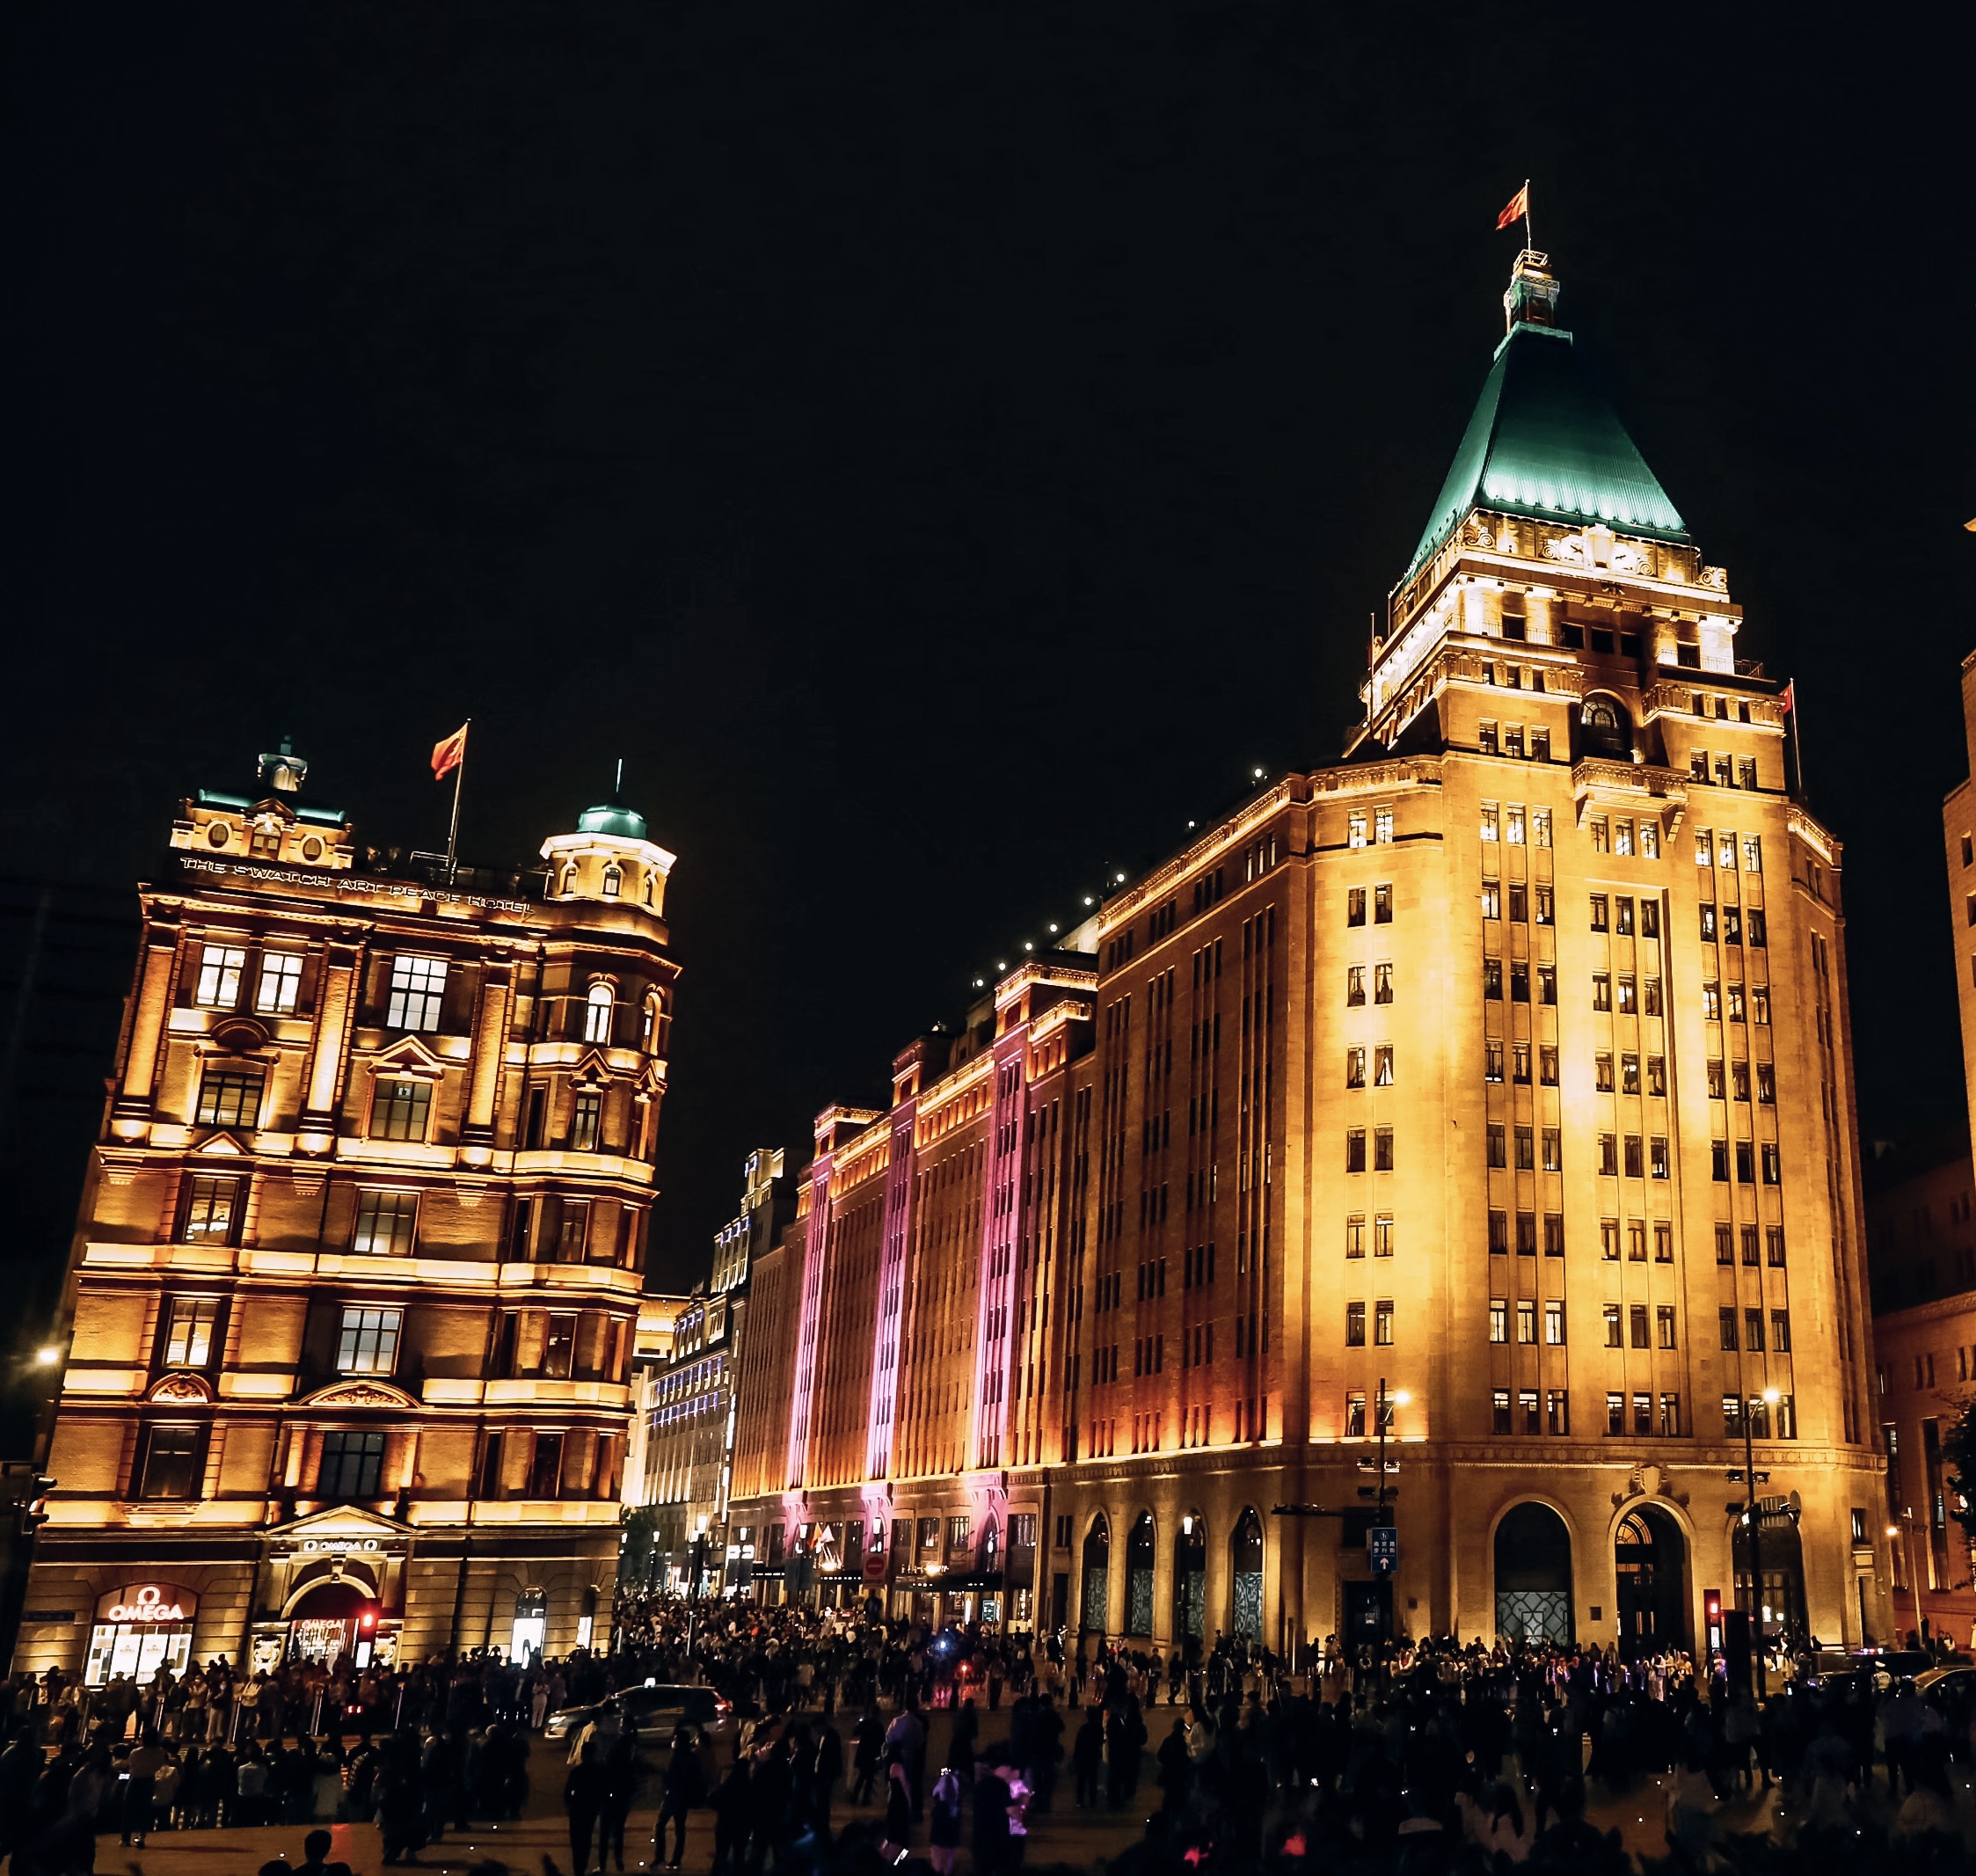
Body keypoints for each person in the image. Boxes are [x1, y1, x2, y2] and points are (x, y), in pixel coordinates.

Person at [656, 1726, 704, 1870]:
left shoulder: (678, 1757)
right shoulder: (692, 1757)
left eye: (675, 1739)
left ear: (681, 1741)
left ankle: (661, 1857)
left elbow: (673, 1778)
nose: (673, 1741)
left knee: (661, 1826)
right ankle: (675, 1859)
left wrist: (666, 1784)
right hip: (683, 1797)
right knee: (679, 1829)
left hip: (674, 1797)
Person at [565, 1737, 609, 1876]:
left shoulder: (577, 1771)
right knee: (586, 1837)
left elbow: (567, 1791)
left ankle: (578, 1867)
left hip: (577, 1808)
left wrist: (570, 1805)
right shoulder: (600, 1770)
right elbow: (605, 1790)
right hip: (591, 1808)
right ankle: (582, 1865)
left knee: (576, 1839)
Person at [927, 1763, 963, 1875]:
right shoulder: (957, 1781)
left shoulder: (943, 1780)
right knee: (950, 1849)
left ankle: (937, 1871)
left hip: (941, 1816)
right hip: (953, 1816)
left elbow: (934, 1794)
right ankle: (949, 1872)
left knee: (936, 1846)